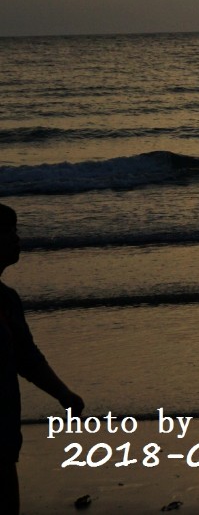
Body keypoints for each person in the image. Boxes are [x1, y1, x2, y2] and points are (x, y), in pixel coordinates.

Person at [3, 203, 85, 515]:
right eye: (8, 231)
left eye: (16, 230)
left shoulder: (7, 300)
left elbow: (27, 358)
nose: (16, 238)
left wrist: (64, 395)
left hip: (5, 433)